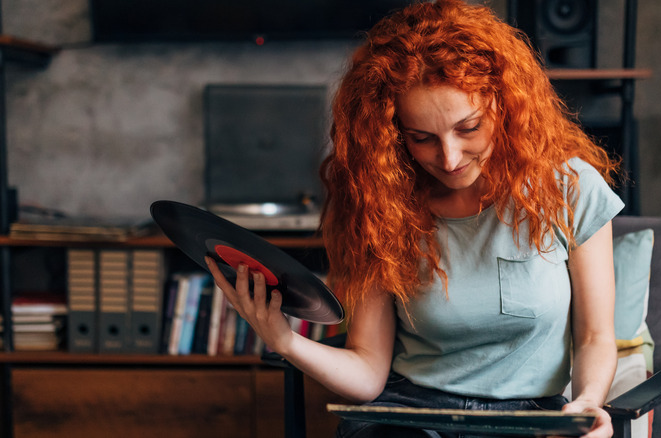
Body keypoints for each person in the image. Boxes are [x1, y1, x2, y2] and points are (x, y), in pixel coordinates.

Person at [205, 1, 623, 436]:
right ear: (395, 134)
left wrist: (588, 403)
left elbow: (595, 337)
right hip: (409, 416)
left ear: (505, 106)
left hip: (527, 418)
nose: (449, 157)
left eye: (468, 128)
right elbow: (368, 373)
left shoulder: (570, 189)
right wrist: (285, 341)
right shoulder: (381, 205)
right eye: (422, 138)